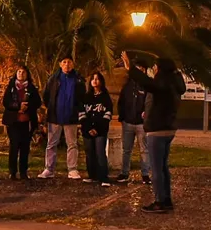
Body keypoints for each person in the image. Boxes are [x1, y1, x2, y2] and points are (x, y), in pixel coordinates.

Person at [121, 51, 186, 214]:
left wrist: (131, 69)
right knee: (163, 166)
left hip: (157, 130)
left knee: (156, 168)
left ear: (161, 69)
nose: (154, 69)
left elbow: (147, 82)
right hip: (168, 129)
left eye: (156, 67)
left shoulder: (162, 84)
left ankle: (160, 201)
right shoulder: (174, 84)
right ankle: (166, 199)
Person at [39, 56, 86, 179]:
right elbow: (46, 95)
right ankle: (49, 169)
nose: (67, 64)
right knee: (51, 144)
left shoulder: (78, 80)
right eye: (64, 62)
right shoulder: (53, 79)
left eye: (69, 62)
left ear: (73, 64)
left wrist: (79, 112)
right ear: (60, 64)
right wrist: (50, 108)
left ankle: (72, 169)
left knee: (72, 144)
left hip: (71, 117)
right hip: (55, 117)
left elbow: (82, 97)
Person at [115, 57, 151, 185]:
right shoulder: (127, 85)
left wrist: (147, 114)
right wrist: (123, 117)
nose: (140, 71)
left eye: (142, 69)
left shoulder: (148, 85)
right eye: (137, 69)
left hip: (142, 124)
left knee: (144, 150)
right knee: (126, 149)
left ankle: (145, 174)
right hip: (128, 122)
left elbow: (151, 102)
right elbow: (122, 102)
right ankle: (124, 173)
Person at [1, 66, 41, 180]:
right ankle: (12, 172)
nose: (21, 73)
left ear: (27, 74)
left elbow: (37, 102)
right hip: (13, 122)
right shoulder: (11, 87)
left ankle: (23, 171)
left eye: (23, 72)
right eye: (19, 71)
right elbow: (6, 102)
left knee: (25, 147)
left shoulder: (32, 88)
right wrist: (18, 107)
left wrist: (27, 107)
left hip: (27, 122)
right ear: (16, 73)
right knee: (14, 146)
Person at [79, 71, 113, 187]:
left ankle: (103, 177)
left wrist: (97, 128)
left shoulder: (105, 97)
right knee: (89, 153)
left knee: (100, 152)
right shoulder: (85, 96)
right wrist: (88, 128)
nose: (95, 81)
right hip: (87, 130)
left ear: (101, 81)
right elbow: (82, 113)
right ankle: (92, 175)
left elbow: (108, 114)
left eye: (97, 79)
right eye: (93, 79)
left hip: (101, 130)